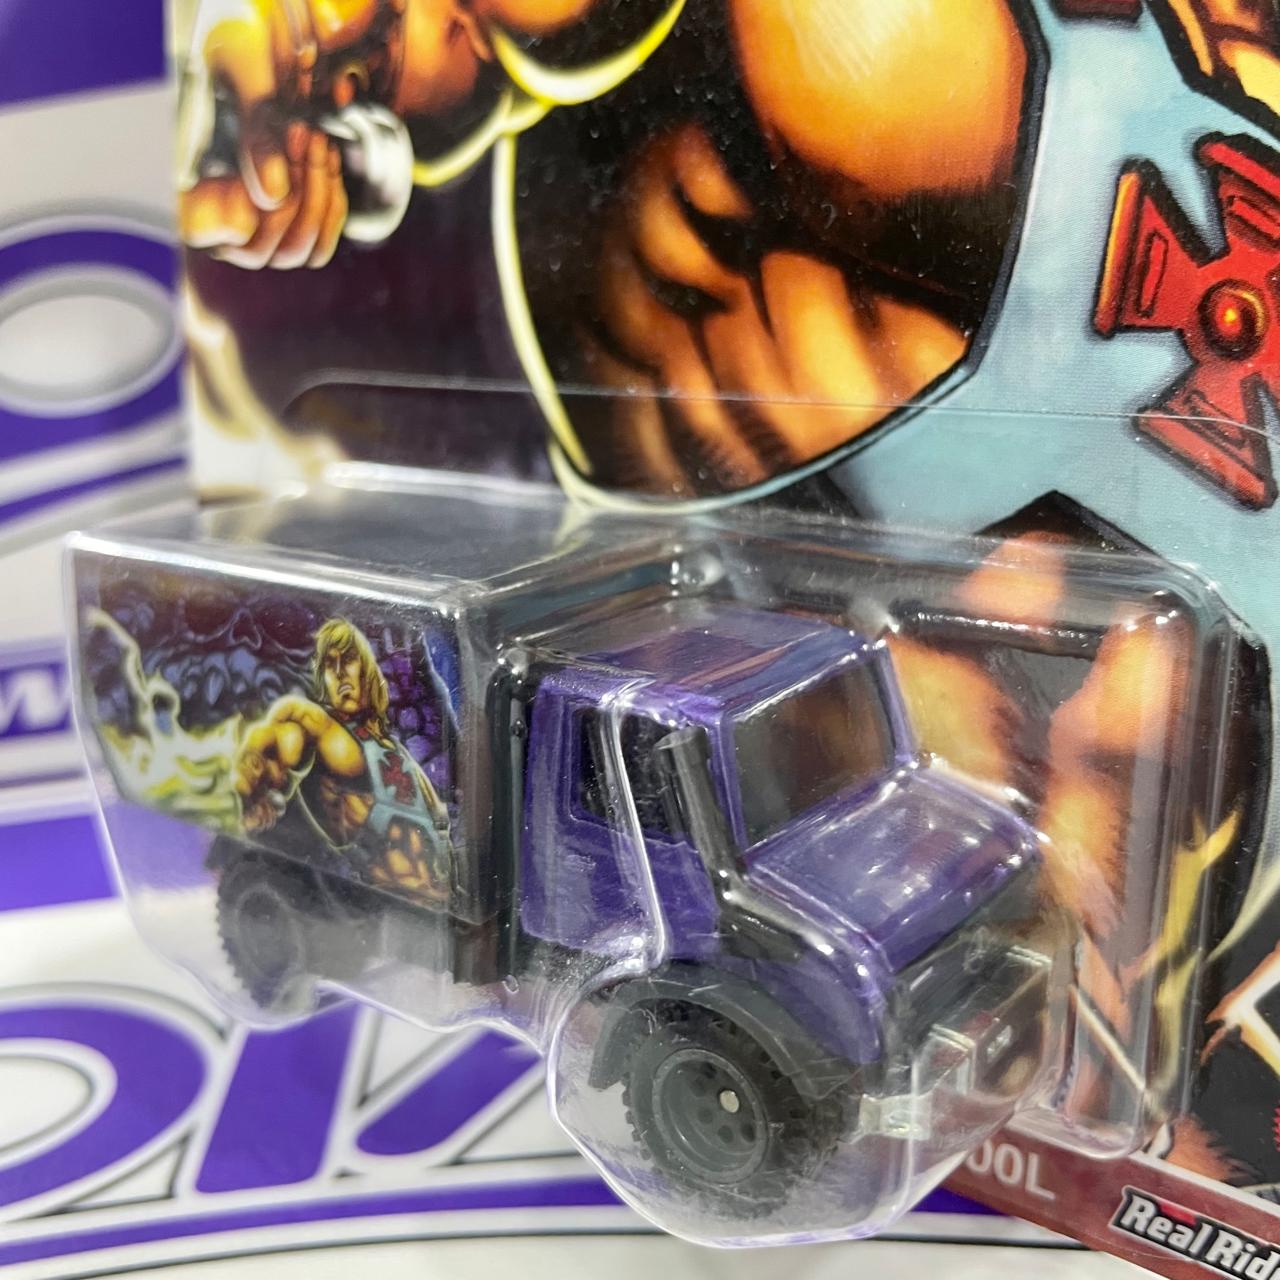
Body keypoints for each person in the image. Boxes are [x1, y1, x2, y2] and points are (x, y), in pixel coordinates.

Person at [235, 617, 452, 902]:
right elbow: (282, 725)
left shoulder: (391, 747)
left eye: (348, 660)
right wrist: (251, 791)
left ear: (366, 669)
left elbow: (440, 820)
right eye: (329, 664)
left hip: (437, 896)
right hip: (390, 899)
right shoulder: (330, 735)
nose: (338, 673)